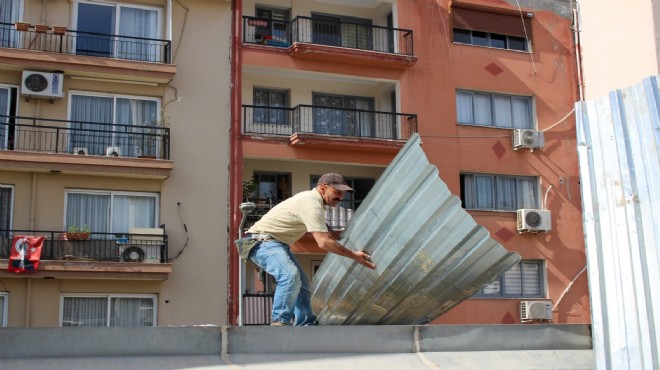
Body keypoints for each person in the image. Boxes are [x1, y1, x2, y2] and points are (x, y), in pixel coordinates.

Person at [245, 172, 376, 326]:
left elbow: (317, 223)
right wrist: (354, 255)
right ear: (322, 188)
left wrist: (335, 234)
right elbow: (323, 243)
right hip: (263, 242)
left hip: (276, 243)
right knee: (290, 276)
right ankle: (279, 321)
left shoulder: (313, 202)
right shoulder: (311, 204)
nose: (340, 198)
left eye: (343, 194)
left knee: (302, 284)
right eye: (337, 192)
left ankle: (306, 323)